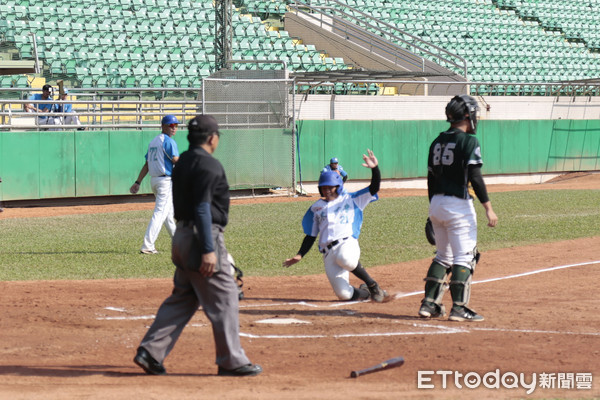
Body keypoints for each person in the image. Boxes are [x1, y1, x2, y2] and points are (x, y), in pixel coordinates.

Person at [133, 114, 262, 377]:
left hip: (180, 237)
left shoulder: (183, 164)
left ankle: (150, 351)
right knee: (226, 296)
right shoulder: (208, 165)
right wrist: (208, 249)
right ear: (212, 138)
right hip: (201, 236)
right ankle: (231, 361)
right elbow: (203, 207)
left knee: (184, 297)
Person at [418, 95, 498, 322]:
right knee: (464, 257)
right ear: (467, 115)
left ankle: (429, 304)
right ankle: (459, 308)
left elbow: (430, 179)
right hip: (458, 205)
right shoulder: (469, 141)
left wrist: (432, 209)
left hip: (437, 203)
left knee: (443, 256)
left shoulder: (437, 141)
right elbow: (475, 176)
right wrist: (488, 208)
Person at [283, 149, 389, 302]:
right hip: (328, 254)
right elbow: (311, 235)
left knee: (345, 258)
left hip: (347, 244)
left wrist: (375, 169)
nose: (327, 190)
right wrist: (300, 254)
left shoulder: (352, 199)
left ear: (338, 186)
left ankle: (373, 285)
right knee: (344, 295)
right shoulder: (316, 208)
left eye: (330, 187)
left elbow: (374, 188)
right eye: (324, 188)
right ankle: (367, 293)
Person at [130, 115, 180, 254]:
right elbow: (176, 160)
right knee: (160, 213)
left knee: (168, 214)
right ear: (163, 126)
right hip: (165, 181)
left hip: (155, 181)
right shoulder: (168, 141)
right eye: (171, 125)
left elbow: (147, 164)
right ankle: (148, 246)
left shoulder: (153, 141)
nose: (174, 128)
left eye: (176, 125)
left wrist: (138, 182)